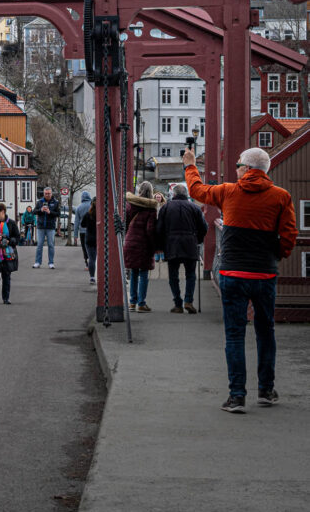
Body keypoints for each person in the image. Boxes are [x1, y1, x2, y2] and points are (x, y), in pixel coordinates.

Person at [183, 145, 297, 413]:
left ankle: (237, 396)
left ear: (246, 169)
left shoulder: (228, 192)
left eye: (237, 165)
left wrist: (190, 165)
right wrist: (277, 255)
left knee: (234, 335)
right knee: (265, 331)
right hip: (265, 274)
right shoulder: (281, 197)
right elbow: (289, 234)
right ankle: (266, 390)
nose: (235, 169)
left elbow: (197, 191)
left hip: (233, 273)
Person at [156, 183, 208, 314]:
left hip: (172, 244)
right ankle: (188, 301)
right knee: (191, 274)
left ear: (173, 194)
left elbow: (159, 229)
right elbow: (204, 227)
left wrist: (161, 245)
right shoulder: (194, 208)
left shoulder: (166, 207)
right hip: (190, 243)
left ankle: (177, 304)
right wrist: (198, 240)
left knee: (173, 276)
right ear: (186, 195)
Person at [123, 181, 159, 312]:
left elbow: (125, 223)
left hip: (130, 242)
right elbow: (150, 230)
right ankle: (141, 303)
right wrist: (154, 245)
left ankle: (132, 302)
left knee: (133, 273)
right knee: (143, 273)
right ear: (151, 192)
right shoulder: (151, 208)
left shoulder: (130, 205)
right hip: (143, 244)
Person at [33, 186, 60, 269]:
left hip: (50, 227)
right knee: (39, 245)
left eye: (49, 193)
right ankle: (37, 262)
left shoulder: (55, 202)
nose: (47, 195)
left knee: (51, 245)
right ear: (43, 193)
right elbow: (34, 212)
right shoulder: (40, 202)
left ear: (51, 193)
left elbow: (58, 214)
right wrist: (41, 210)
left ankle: (51, 262)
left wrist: (50, 212)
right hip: (41, 226)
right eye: (46, 193)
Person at [81, 198, 97, 284]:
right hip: (99, 239)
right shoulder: (101, 214)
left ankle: (92, 277)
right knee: (100, 258)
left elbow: (82, 225)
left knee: (92, 259)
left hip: (89, 238)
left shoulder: (88, 214)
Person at [74, 191, 92, 267]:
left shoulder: (79, 208)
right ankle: (93, 261)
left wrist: (75, 235)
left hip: (82, 232)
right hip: (92, 231)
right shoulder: (92, 206)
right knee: (92, 247)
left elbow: (76, 222)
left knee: (85, 248)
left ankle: (87, 263)